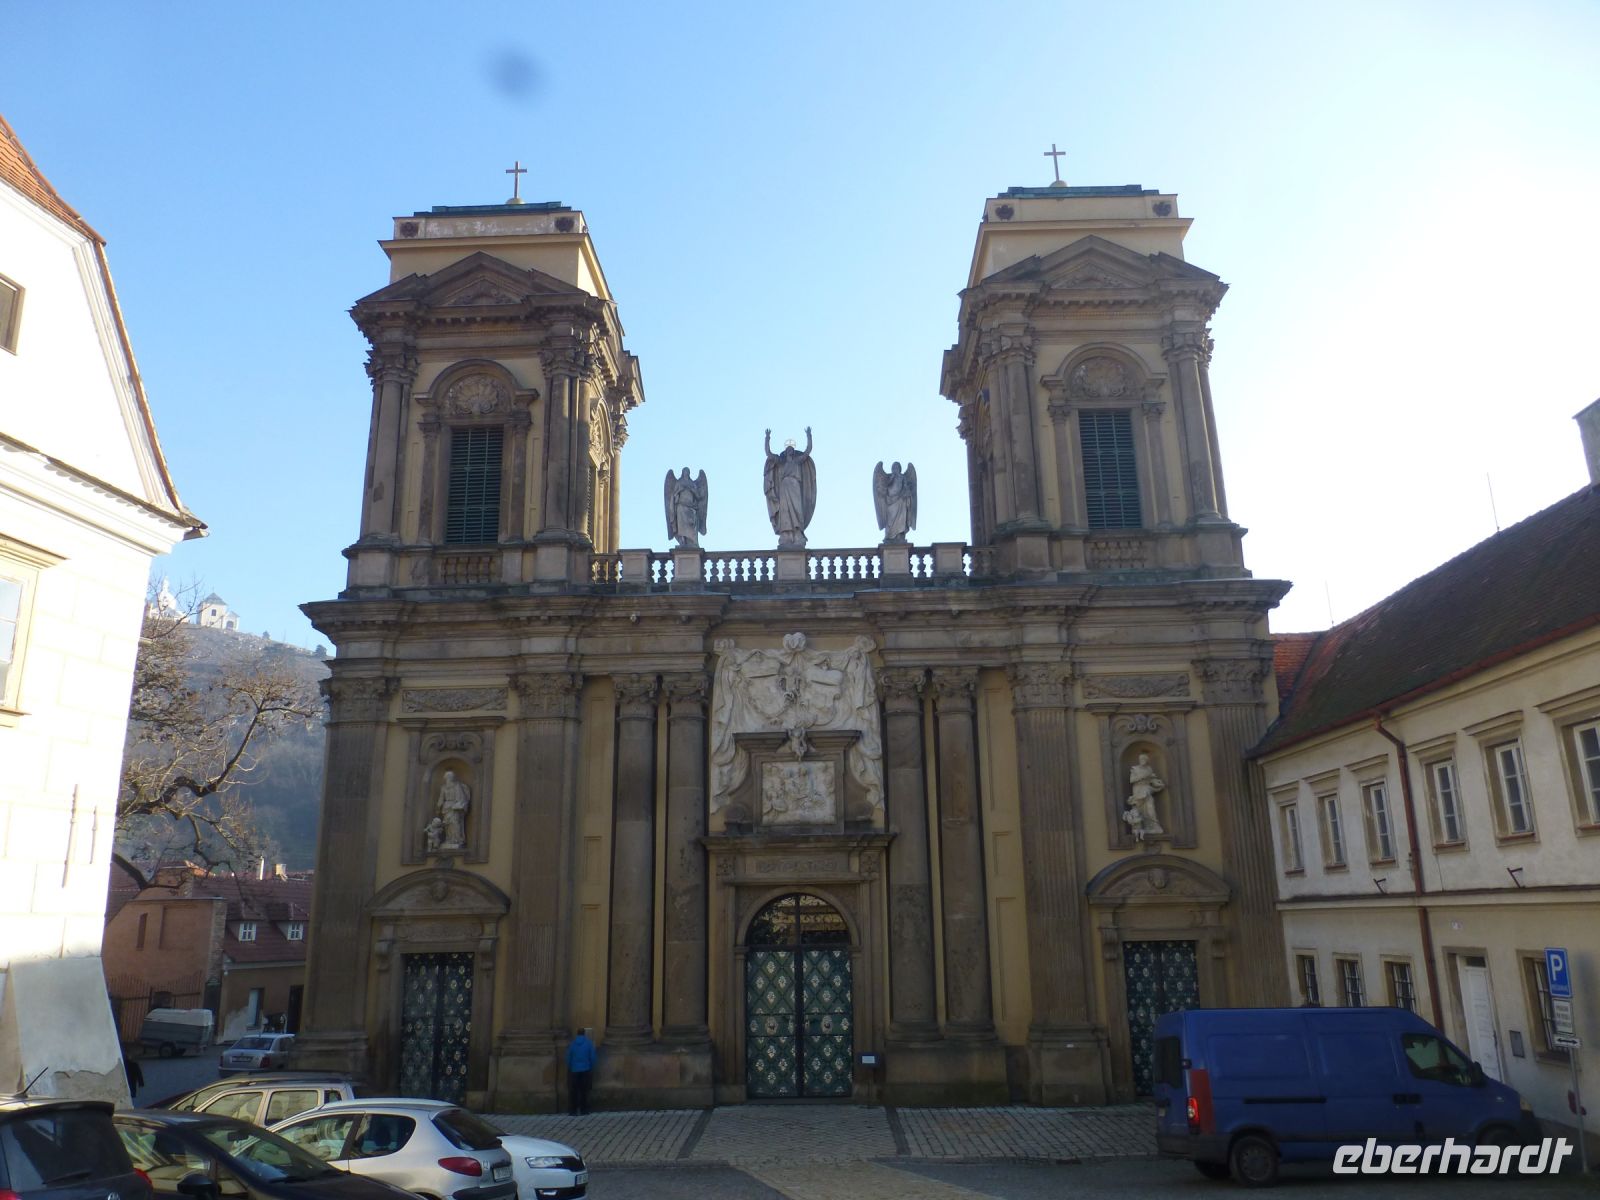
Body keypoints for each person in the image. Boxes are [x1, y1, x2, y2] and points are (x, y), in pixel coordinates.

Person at [762, 427, 816, 549]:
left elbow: (808, 451)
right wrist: (767, 438)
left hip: (795, 487)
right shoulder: (781, 462)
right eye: (788, 449)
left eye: (791, 449)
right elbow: (769, 454)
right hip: (784, 488)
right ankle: (786, 534)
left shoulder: (797, 461)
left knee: (797, 510)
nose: (790, 451)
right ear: (786, 452)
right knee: (785, 512)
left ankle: (797, 533)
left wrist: (809, 436)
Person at [566, 1027, 596, 1115]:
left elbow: (568, 1057)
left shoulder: (572, 1044)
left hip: (574, 1070)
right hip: (585, 1069)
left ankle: (573, 1110)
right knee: (584, 1091)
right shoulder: (588, 1043)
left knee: (573, 1091)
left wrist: (570, 1066)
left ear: (577, 1034)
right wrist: (590, 1066)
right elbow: (593, 1057)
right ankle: (584, 1110)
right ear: (584, 1034)